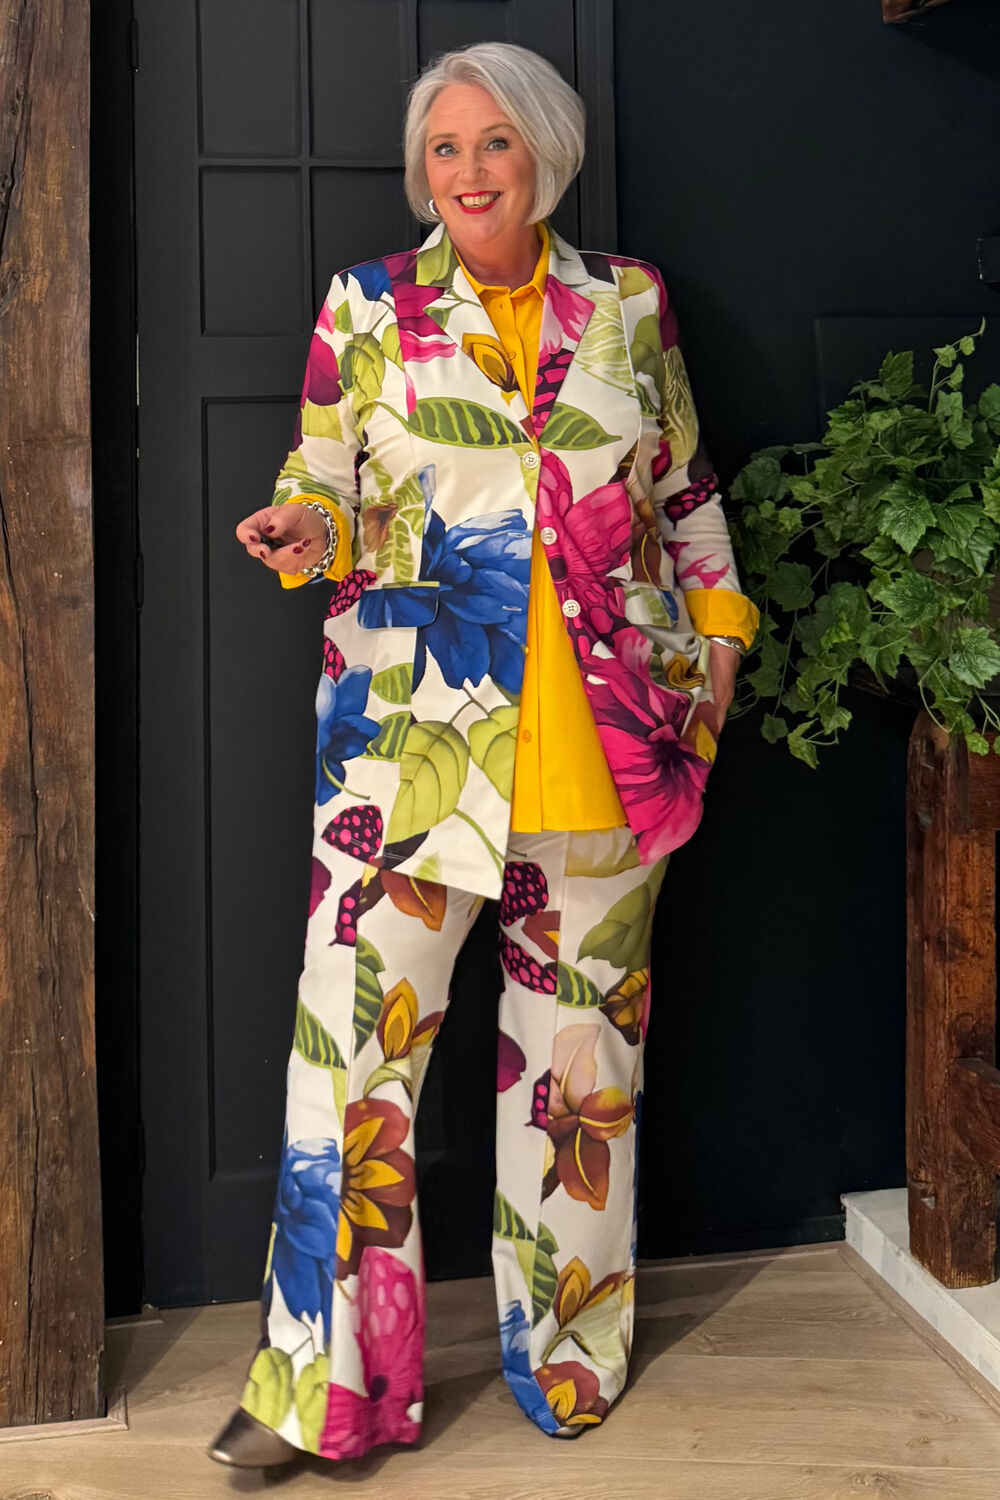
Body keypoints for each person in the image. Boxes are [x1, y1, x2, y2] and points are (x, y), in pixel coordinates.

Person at [209, 41, 758, 1469]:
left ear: (547, 158)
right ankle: (323, 1392)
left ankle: (568, 1352)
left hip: (609, 758)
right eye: (444, 148)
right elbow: (323, 482)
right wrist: (304, 533)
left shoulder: (628, 304)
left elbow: (684, 492)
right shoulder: (368, 308)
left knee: (580, 1078)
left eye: (494, 143)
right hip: (409, 767)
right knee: (348, 1074)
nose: (466, 171)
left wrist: (715, 659)